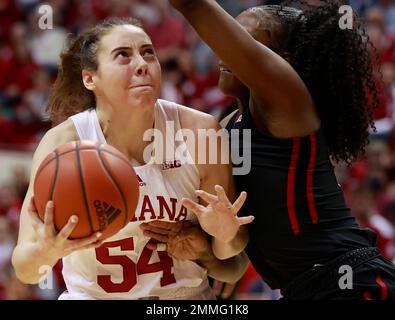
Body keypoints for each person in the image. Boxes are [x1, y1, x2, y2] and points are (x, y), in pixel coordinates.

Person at [147, 0, 395, 300]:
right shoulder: (225, 124)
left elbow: (195, 6)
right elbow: (234, 266)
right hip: (301, 290)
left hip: (352, 282)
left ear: (282, 61)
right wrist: (204, 249)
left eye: (242, 40)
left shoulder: (289, 102)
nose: (223, 48)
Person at [11, 17, 251, 300]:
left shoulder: (198, 132)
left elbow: (231, 251)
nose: (142, 64)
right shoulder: (65, 144)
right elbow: (26, 269)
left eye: (148, 52)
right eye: (123, 55)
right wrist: (46, 252)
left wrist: (223, 235)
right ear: (90, 78)